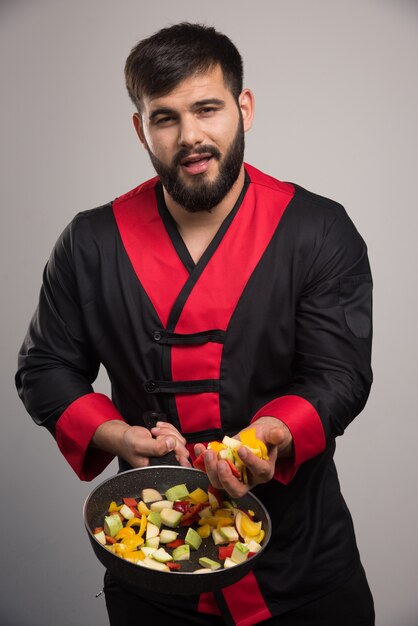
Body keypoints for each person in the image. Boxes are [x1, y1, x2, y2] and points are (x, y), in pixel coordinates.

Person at [16, 22, 375, 626]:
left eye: (207, 109)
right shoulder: (90, 242)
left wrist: (271, 435)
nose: (191, 137)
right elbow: (45, 368)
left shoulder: (317, 230)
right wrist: (120, 437)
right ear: (140, 129)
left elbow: (339, 375)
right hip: (152, 570)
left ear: (245, 108)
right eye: (165, 117)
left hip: (303, 568)